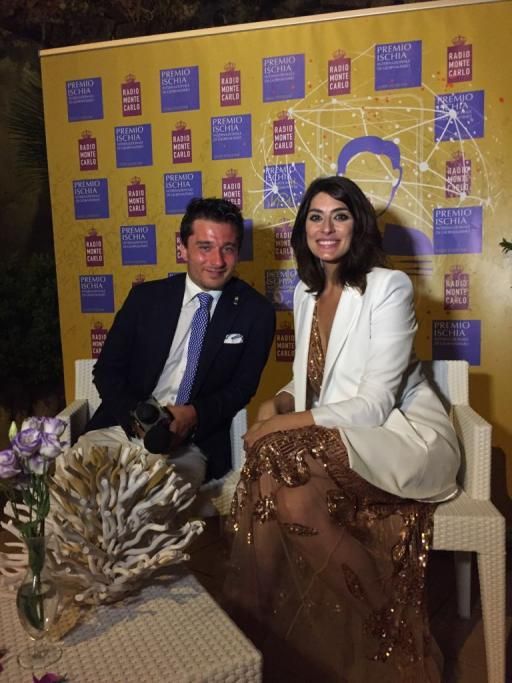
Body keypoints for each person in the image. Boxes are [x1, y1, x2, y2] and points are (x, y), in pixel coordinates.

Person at [225, 176, 460, 682]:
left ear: (359, 225)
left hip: (398, 435)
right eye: (316, 217)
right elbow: (314, 379)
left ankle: (253, 622)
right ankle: (374, 626)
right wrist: (276, 402)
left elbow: (373, 404)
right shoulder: (306, 293)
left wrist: (280, 425)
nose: (326, 228)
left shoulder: (388, 287)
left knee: (273, 452)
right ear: (303, 229)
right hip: (343, 430)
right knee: (291, 500)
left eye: (340, 216)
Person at [82, 197, 275, 490]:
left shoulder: (255, 312)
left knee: (151, 499)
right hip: (121, 429)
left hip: (193, 445)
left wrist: (193, 415)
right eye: (205, 247)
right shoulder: (145, 299)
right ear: (183, 248)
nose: (217, 261)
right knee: (75, 485)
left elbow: (241, 389)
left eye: (228, 248)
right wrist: (140, 420)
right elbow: (107, 371)